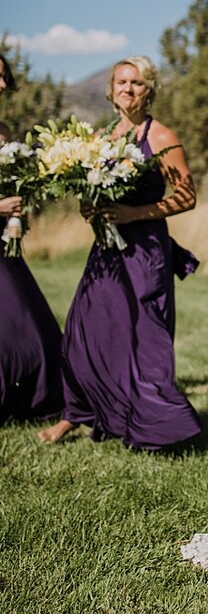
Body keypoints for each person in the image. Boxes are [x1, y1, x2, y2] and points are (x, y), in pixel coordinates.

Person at [40, 57, 201, 451]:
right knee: (83, 329)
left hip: (146, 252)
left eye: (138, 83)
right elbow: (92, 188)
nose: (128, 89)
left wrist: (134, 213)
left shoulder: (161, 137)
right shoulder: (99, 137)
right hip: (106, 250)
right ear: (111, 90)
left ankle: (158, 424)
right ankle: (76, 413)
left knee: (145, 338)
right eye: (122, 82)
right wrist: (90, 206)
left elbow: (186, 195)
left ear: (149, 91)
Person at [0, 53, 64, 425]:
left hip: (5, 242)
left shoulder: (4, 132)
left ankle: (32, 398)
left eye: (5, 76)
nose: (4, 84)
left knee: (29, 325)